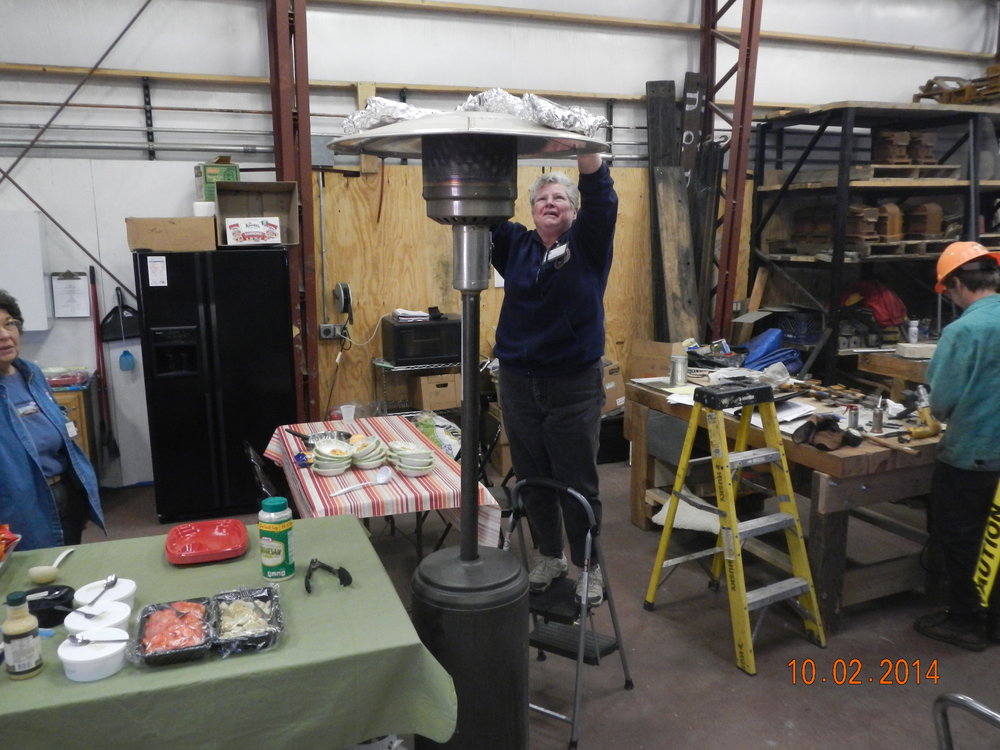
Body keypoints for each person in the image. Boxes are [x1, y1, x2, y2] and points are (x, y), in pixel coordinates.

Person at [491, 152, 617, 606]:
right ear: (531, 210)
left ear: (574, 209)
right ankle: (550, 556)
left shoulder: (588, 244)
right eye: (542, 197)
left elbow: (603, 201)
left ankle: (589, 567)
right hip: (519, 381)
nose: (551, 202)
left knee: (577, 482)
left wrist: (587, 156)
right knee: (533, 477)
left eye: (560, 197)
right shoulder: (516, 246)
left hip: (572, 382)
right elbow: (481, 215)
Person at [914, 242, 1000, 651]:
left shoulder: (964, 330)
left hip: (971, 454)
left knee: (959, 537)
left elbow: (942, 401)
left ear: (958, 285)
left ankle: (966, 621)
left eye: (948, 291)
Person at [0, 289, 105, 550]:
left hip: (62, 493)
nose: (5, 336)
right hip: (19, 508)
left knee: (66, 568)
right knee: (28, 582)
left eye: (8, 323)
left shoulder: (30, 373)